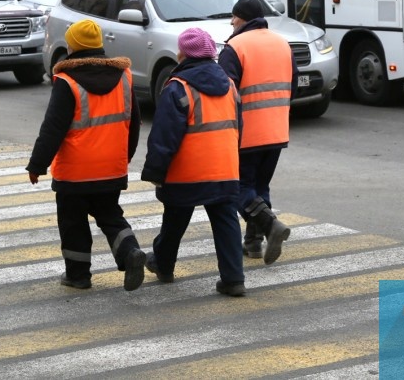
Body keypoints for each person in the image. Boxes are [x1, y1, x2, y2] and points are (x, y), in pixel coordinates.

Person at [26, 18, 147, 292]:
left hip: (75, 173)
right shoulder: (125, 77)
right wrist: (124, 158)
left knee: (73, 223)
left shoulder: (66, 82)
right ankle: (130, 253)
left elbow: (52, 129)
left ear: (73, 46)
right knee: (111, 215)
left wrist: (37, 165)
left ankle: (78, 276)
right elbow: (133, 123)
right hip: (112, 168)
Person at [141, 27, 246, 297]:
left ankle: (163, 266)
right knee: (226, 220)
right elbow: (238, 127)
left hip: (186, 171)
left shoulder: (178, 87)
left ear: (183, 54)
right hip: (224, 168)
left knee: (175, 218)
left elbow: (164, 136)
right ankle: (234, 279)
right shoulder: (230, 85)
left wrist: (155, 170)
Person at [218, 0, 298, 265]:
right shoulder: (282, 43)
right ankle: (253, 244)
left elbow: (224, 92)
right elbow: (293, 85)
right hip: (277, 129)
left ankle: (269, 225)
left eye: (234, 16)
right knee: (260, 186)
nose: (231, 21)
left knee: (238, 188)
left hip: (245, 131)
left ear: (243, 18)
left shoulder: (235, 46)